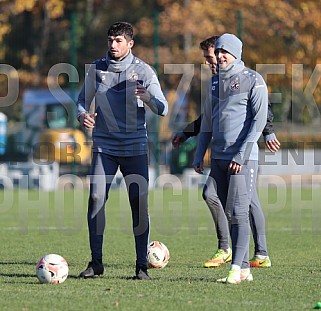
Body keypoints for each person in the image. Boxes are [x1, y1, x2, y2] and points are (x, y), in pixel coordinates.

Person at [173, 36, 280, 269]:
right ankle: (239, 251)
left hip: (242, 153)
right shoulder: (216, 81)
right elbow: (211, 119)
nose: (211, 61)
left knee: (244, 205)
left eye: (212, 56)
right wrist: (188, 133)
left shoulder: (248, 78)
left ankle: (244, 253)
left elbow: (261, 110)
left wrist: (268, 132)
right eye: (209, 58)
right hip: (223, 154)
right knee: (229, 200)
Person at [76, 22, 168, 280]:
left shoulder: (143, 71)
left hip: (135, 148)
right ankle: (96, 263)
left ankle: (141, 266)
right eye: (110, 40)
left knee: (138, 204)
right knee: (95, 199)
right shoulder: (97, 68)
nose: (113, 45)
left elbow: (163, 108)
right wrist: (82, 115)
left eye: (118, 40)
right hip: (104, 147)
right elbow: (82, 100)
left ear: (130, 44)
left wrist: (148, 98)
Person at [193, 33, 268, 284]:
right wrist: (199, 152)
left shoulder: (253, 80)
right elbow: (206, 123)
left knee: (238, 212)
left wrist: (241, 154)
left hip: (242, 159)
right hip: (218, 159)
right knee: (224, 206)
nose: (220, 56)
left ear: (236, 53)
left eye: (225, 52)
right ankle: (244, 269)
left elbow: (257, 122)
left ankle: (235, 268)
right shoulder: (214, 84)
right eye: (219, 52)